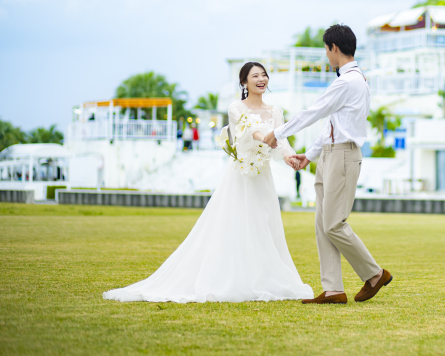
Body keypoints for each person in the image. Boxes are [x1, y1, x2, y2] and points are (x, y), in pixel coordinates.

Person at [103, 62, 312, 303]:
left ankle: (265, 278)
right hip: (240, 176)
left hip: (262, 177)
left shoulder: (275, 111)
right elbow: (247, 130)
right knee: (235, 224)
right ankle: (234, 279)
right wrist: (266, 138)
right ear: (244, 82)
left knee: (264, 224)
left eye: (264, 75)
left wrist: (289, 156)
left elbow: (281, 140)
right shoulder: (236, 107)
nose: (261, 79)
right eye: (255, 75)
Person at [264, 24, 392, 305]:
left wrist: (279, 132)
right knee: (323, 224)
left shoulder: (348, 82)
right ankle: (333, 289)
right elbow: (331, 124)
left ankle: (374, 274)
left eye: (326, 49)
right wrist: (310, 155)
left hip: (343, 156)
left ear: (334, 48)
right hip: (331, 155)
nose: (326, 54)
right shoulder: (352, 81)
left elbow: (314, 111)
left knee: (333, 223)